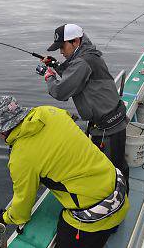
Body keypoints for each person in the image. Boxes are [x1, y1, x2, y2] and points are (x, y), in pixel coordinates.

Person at [0, 95, 129, 248]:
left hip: (97, 214)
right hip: (118, 187)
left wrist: (4, 218)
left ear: (2, 130)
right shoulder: (49, 111)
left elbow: (22, 208)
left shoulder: (20, 157)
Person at [41, 24, 129, 189]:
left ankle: (116, 205)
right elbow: (74, 74)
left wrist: (49, 77)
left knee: (114, 169)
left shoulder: (82, 62)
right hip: (108, 122)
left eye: (62, 46)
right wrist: (55, 65)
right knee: (115, 165)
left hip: (108, 128)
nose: (61, 52)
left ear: (75, 41)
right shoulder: (86, 56)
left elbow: (61, 91)